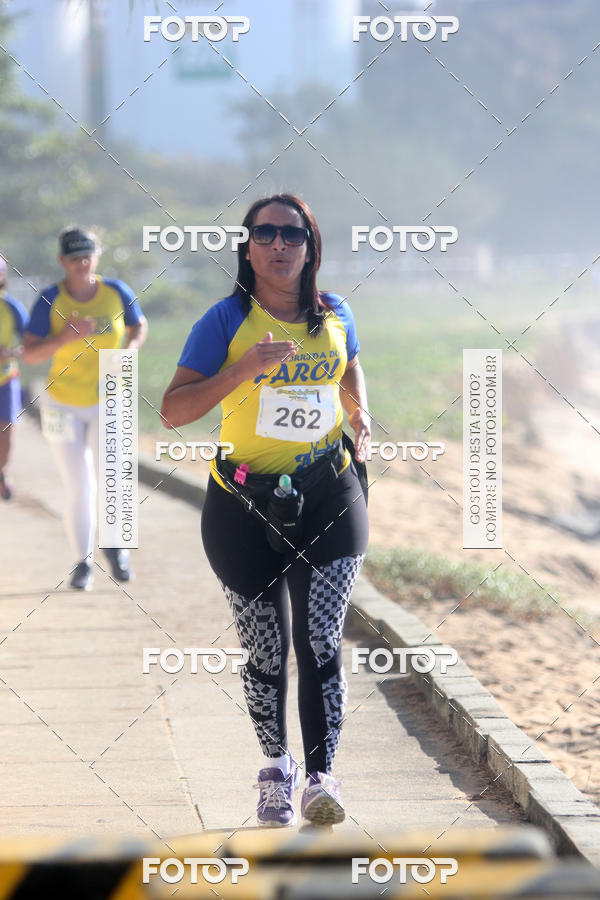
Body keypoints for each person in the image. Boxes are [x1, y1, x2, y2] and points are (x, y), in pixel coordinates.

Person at [162, 194, 370, 827]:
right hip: (241, 504)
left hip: (330, 496)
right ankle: (276, 769)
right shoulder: (223, 322)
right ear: (247, 247)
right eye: (265, 233)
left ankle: (322, 777)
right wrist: (242, 370)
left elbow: (351, 368)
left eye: (292, 233)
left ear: (310, 247)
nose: (279, 244)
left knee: (321, 639)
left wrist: (361, 418)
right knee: (264, 648)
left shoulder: (335, 313)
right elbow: (174, 410)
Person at [22, 226, 148, 590]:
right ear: (62, 261)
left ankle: (117, 548)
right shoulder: (50, 298)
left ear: (97, 255)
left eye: (87, 254)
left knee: (115, 478)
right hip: (61, 403)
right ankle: (83, 563)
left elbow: (139, 326)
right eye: (74, 257)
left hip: (111, 397)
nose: (82, 262)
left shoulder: (116, 292)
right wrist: (64, 337)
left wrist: (130, 350)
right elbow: (30, 352)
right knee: (79, 484)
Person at [0, 257, 29, 500]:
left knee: (6, 432)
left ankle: (2, 472)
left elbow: (31, 346)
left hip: (5, 379)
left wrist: (10, 353)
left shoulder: (11, 307)